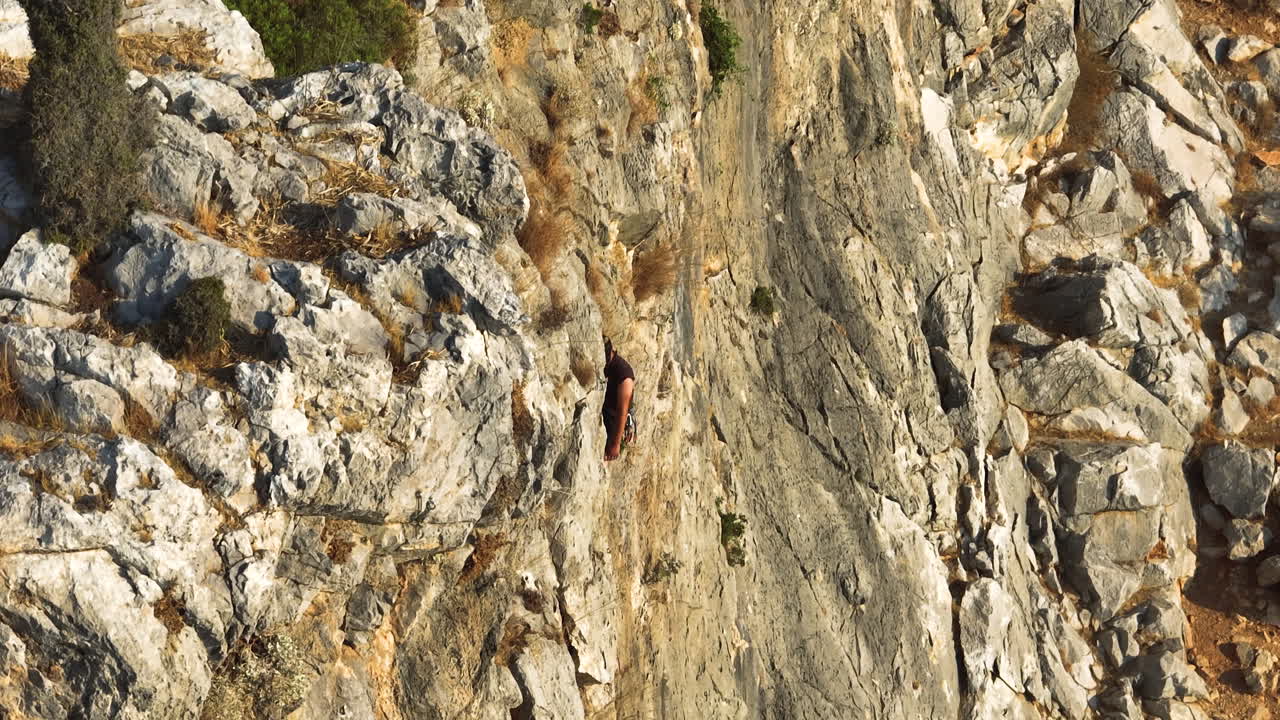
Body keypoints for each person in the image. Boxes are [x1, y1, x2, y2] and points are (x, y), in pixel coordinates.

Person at [602, 337, 635, 461]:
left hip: (614, 419)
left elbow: (622, 412)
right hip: (607, 408)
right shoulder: (610, 364)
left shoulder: (624, 375)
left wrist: (615, 445)